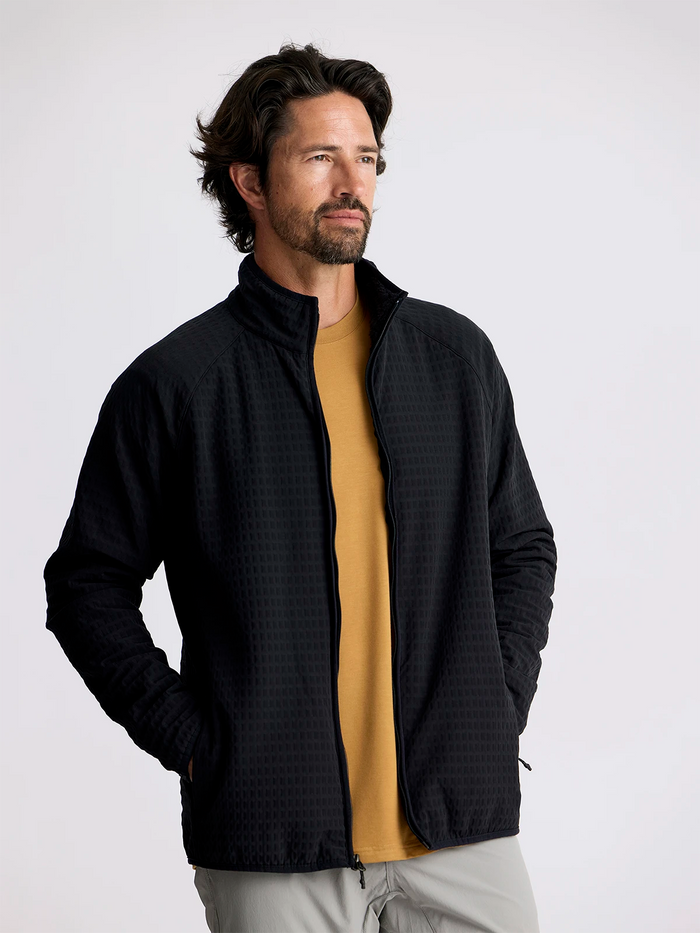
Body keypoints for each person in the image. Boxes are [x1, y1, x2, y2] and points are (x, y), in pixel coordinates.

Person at [44, 42, 557, 933]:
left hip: (459, 827)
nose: (352, 183)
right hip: (272, 835)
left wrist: (497, 704)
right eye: (321, 157)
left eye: (367, 158)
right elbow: (87, 583)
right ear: (250, 181)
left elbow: (521, 545)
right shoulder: (179, 383)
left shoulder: (453, 359)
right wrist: (194, 741)